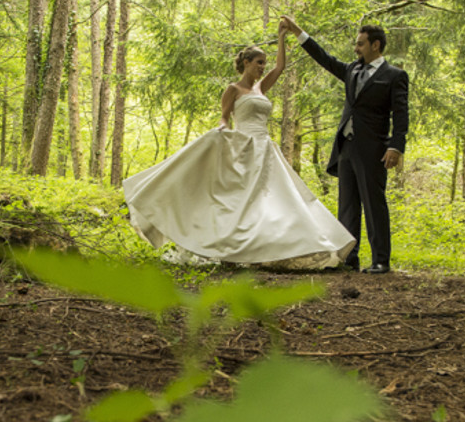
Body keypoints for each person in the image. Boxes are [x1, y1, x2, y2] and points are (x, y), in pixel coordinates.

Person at [122, 26, 354, 270]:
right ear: (246, 62)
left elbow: (280, 68)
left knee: (278, 200)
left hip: (266, 149)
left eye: (264, 63)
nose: (263, 67)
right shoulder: (233, 89)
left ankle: (277, 247)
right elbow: (225, 116)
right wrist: (222, 128)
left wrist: (282, 37)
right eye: (258, 63)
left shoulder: (261, 88)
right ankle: (229, 249)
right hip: (243, 147)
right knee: (238, 201)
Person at [280, 16, 409, 274]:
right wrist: (298, 32)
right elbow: (324, 58)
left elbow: (401, 114)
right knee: (347, 205)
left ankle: (381, 261)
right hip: (346, 148)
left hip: (374, 150)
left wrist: (396, 146)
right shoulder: (352, 70)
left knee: (374, 205)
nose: (356, 48)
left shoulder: (395, 76)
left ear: (376, 45)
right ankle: (350, 258)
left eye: (360, 44)